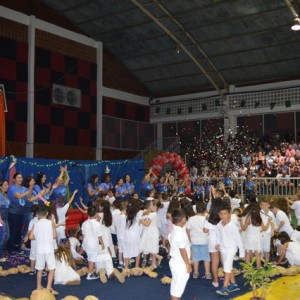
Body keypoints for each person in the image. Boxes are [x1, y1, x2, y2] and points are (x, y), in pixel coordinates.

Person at [215, 202, 245, 296]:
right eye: (221, 214)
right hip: (223, 248)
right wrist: (217, 243)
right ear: (218, 214)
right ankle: (234, 284)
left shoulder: (233, 226)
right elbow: (217, 235)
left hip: (231, 248)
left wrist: (242, 253)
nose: (223, 216)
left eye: (225, 214)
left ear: (229, 214)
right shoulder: (219, 225)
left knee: (227, 267)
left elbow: (239, 240)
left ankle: (225, 287)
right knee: (228, 266)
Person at [29, 205, 57, 295]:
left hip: (39, 250)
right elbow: (55, 236)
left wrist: (38, 237)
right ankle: (48, 287)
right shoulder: (50, 222)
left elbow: (30, 237)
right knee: (52, 269)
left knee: (40, 269)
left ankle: (38, 286)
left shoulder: (36, 224)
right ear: (47, 213)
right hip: (49, 249)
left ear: (37, 215)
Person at [168, 209, 191, 300]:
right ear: (183, 219)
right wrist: (188, 264)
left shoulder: (174, 230)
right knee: (177, 289)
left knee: (176, 286)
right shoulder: (180, 232)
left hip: (175, 261)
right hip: (180, 263)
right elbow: (182, 250)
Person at [7, 173, 32, 253]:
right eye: (18, 177)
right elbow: (19, 196)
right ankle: (10, 249)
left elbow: (28, 197)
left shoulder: (24, 188)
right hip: (13, 213)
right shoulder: (12, 188)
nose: (20, 179)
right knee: (13, 231)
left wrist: (30, 188)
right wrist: (28, 191)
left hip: (22, 213)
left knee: (18, 231)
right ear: (14, 180)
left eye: (21, 177)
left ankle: (17, 248)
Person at [186, 202, 211, 279]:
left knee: (195, 258)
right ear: (205, 210)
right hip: (204, 241)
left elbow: (187, 229)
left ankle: (195, 273)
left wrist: (189, 238)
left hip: (194, 241)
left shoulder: (191, 219)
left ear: (195, 210)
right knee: (206, 257)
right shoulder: (206, 219)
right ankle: (207, 273)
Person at [81, 205, 105, 280]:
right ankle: (90, 274)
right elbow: (99, 235)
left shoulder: (84, 223)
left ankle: (91, 271)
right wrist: (102, 243)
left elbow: (83, 234)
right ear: (95, 214)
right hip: (93, 243)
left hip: (86, 243)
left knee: (90, 257)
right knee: (91, 258)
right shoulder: (97, 224)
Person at [203, 199, 222, 288]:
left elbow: (205, 230)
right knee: (225, 261)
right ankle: (228, 280)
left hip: (212, 241)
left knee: (214, 262)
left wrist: (206, 220)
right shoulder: (223, 217)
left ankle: (216, 281)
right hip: (222, 241)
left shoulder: (209, 218)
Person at [140, 199, 163, 268]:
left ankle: (158, 257)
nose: (149, 206)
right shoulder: (156, 213)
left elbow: (147, 224)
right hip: (153, 231)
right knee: (153, 247)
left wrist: (140, 220)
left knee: (146, 246)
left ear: (155, 206)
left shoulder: (152, 214)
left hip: (150, 231)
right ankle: (153, 264)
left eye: (150, 205)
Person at [123, 203, 141, 269]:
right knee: (137, 252)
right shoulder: (137, 218)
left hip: (127, 237)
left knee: (127, 251)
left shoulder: (125, 218)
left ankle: (126, 267)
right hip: (135, 237)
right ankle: (136, 266)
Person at [115, 201, 127, 269]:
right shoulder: (124, 217)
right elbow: (125, 227)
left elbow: (116, 226)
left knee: (120, 249)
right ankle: (125, 263)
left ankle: (120, 262)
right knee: (125, 249)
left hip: (119, 235)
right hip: (123, 235)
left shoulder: (118, 216)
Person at [0, 180, 10, 262]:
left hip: (5, 218)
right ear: (0, 186)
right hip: (1, 219)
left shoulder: (5, 195)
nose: (7, 186)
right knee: (2, 238)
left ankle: (1, 252)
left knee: (7, 237)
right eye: (5, 185)